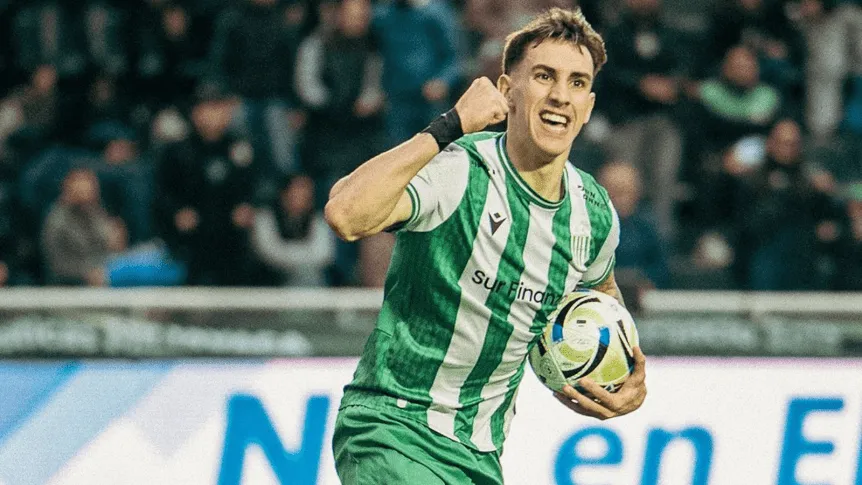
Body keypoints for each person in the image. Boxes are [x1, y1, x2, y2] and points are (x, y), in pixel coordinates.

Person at [325, 8, 647, 484]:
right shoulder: (459, 170)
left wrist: (619, 371)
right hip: (393, 428)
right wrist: (450, 125)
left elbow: (601, 295)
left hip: (479, 456)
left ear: (589, 105)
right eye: (544, 76)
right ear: (506, 90)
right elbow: (345, 214)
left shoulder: (593, 214)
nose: (560, 95)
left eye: (577, 82)